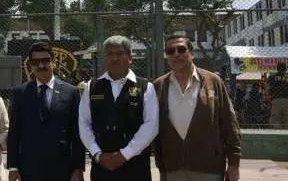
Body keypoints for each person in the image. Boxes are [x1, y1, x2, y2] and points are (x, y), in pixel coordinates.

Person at [154, 36, 241, 181]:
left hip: (209, 168)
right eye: (170, 51)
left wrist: (234, 164)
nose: (176, 54)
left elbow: (230, 123)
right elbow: (154, 129)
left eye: (181, 49)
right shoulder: (159, 86)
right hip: (172, 169)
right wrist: (161, 165)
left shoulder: (213, 81)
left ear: (191, 53)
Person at [78, 35, 158, 181]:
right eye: (110, 54)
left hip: (135, 166)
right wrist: (97, 154)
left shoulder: (145, 87)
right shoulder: (92, 87)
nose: (114, 58)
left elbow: (151, 125)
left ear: (130, 58)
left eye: (120, 53)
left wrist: (124, 154)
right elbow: (83, 123)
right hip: (102, 165)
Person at [7, 41, 85, 181]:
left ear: (53, 62)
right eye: (36, 62)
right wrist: (13, 167)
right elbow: (14, 132)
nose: (41, 66)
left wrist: (78, 167)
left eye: (45, 61)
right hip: (29, 168)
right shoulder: (20, 93)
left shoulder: (71, 92)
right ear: (31, 65)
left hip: (62, 168)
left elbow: (77, 133)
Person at [267, 62, 288, 129]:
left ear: (277, 68)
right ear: (286, 68)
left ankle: (277, 135)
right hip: (287, 99)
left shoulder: (272, 77)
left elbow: (268, 87)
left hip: (276, 99)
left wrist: (269, 95)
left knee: (276, 119)